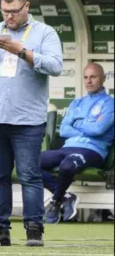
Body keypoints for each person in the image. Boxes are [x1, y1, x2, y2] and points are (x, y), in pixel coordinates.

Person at [0, 0, 63, 246]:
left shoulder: (44, 33)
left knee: (29, 175)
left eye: (14, 11)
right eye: (5, 11)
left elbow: (55, 66)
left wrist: (21, 51)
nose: (9, 16)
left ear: (27, 6)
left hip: (28, 119)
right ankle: (0, 229)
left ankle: (34, 228)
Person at [41, 63, 114, 224]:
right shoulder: (77, 103)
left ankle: (54, 202)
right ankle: (65, 197)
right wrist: (88, 124)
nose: (89, 81)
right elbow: (65, 130)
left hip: (93, 149)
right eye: (86, 77)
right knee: (28, 163)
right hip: (68, 146)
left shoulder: (110, 103)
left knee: (67, 165)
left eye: (93, 77)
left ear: (103, 78)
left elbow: (99, 129)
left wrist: (77, 123)